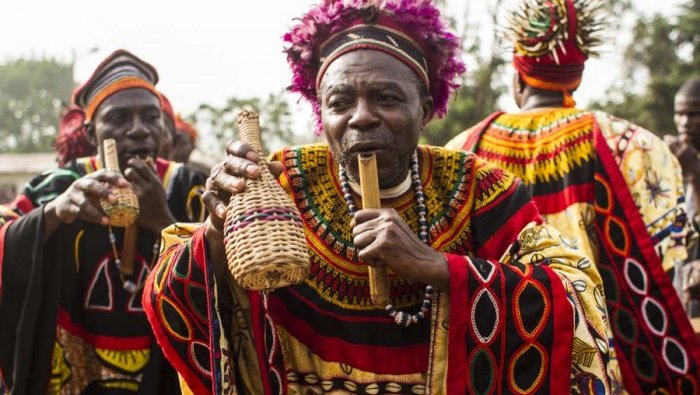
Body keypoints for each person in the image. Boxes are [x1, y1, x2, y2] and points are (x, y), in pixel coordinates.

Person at [143, 1, 613, 393]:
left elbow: (578, 299)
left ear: (425, 110)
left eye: (386, 98)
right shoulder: (280, 183)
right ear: (321, 115)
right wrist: (217, 233)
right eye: (340, 103)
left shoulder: (478, 188)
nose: (361, 118)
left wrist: (438, 267)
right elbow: (175, 296)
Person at [446, 0, 700, 393]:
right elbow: (667, 259)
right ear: (577, 77)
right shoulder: (632, 146)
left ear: (518, 75)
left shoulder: (463, 150)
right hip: (596, 362)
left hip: (494, 356)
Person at [0, 49, 206, 394]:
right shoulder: (61, 183)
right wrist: (53, 213)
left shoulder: (189, 188)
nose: (138, 130)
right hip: (73, 367)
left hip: (164, 370)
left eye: (150, 117)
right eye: (119, 118)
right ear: (92, 130)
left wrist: (165, 222)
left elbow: (229, 283)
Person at [665, 77, 700, 333]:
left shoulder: (691, 165)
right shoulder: (675, 165)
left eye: (694, 114)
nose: (684, 122)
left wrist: (695, 172)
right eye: (680, 114)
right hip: (683, 294)